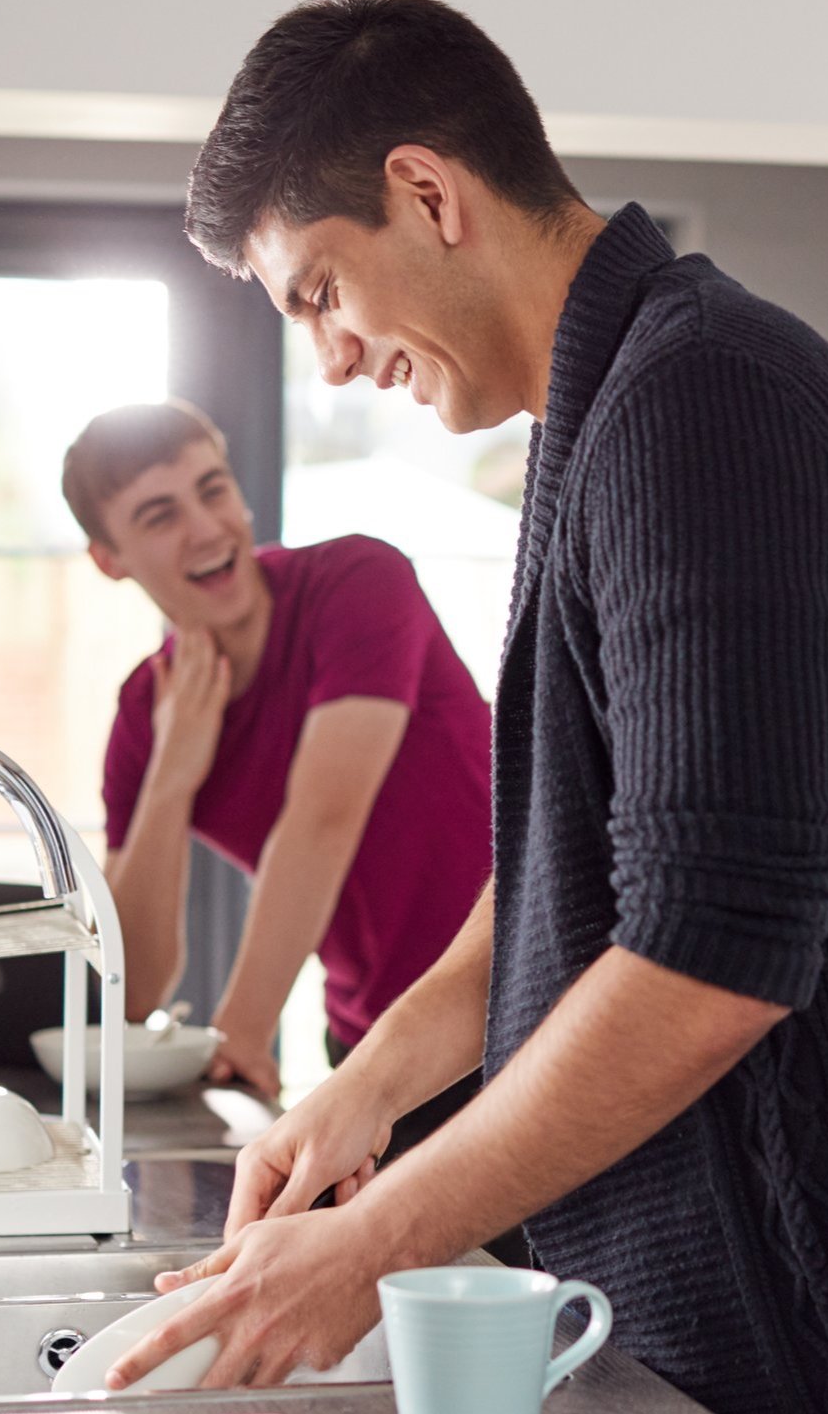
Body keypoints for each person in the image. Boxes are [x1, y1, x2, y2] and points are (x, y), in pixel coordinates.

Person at [102, 0, 828, 1414]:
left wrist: (367, 1246)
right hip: (723, 1324)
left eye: (322, 289)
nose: (331, 360)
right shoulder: (610, 406)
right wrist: (367, 1091)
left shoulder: (700, 406)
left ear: (428, 191)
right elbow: (587, 866)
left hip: (795, 1343)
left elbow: (710, 956)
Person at [62, 402, 525, 1258]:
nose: (205, 528)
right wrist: (172, 775)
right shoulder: (145, 712)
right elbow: (137, 982)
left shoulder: (358, 581)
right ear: (110, 558)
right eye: (160, 516)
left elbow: (322, 818)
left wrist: (241, 1030)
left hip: (517, 1006)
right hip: (369, 1041)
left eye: (213, 489)